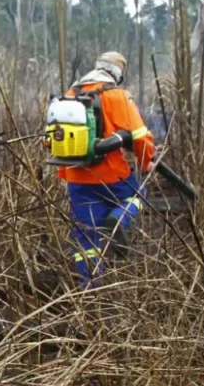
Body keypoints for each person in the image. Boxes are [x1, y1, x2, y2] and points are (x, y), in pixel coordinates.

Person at [59, 51, 155, 286]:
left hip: (77, 178)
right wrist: (146, 162)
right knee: (139, 194)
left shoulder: (69, 94)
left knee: (86, 237)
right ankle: (117, 218)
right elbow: (141, 137)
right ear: (118, 73)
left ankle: (91, 291)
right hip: (111, 175)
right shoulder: (118, 96)